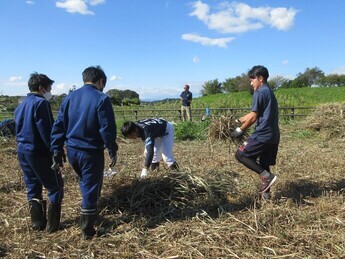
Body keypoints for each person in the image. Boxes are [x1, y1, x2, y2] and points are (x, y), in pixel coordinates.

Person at [51, 66, 118, 240]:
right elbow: (107, 129)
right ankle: (87, 231)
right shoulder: (101, 99)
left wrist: (56, 148)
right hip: (91, 152)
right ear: (101, 81)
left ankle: (89, 210)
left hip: (72, 151)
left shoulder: (68, 98)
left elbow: (59, 125)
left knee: (86, 182)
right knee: (90, 186)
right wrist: (112, 148)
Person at [14, 72, 64, 233]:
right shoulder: (40, 103)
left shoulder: (21, 104)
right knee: (55, 186)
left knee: (33, 185)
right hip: (38, 152)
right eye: (49, 88)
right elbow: (47, 131)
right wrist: (56, 150)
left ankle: (37, 222)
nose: (50, 91)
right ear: (42, 88)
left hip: (23, 151)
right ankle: (52, 225)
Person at [231, 65, 280, 200]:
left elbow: (253, 117)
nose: (251, 82)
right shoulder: (268, 91)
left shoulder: (260, 92)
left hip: (263, 134)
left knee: (241, 154)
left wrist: (239, 130)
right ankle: (267, 195)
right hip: (273, 135)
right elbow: (254, 113)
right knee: (264, 163)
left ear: (261, 78)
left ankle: (267, 177)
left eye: (253, 79)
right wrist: (237, 121)